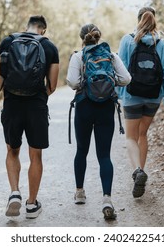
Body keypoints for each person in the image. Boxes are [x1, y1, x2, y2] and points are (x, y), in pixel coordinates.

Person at [0, 15, 59, 218]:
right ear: (43, 30)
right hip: (36, 106)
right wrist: (38, 95)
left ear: (27, 27)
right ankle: (31, 205)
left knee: (12, 151)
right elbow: (53, 85)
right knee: (35, 155)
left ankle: (14, 193)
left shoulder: (7, 41)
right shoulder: (49, 47)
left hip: (12, 103)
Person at [66, 24, 131, 220]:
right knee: (104, 155)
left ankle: (79, 192)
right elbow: (126, 78)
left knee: (81, 150)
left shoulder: (78, 56)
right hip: (105, 108)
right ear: (98, 36)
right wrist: (110, 82)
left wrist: (86, 83)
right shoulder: (111, 55)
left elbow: (72, 82)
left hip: (84, 106)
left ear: (81, 38)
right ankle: (107, 199)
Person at [117, 6, 164, 198]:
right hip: (153, 96)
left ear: (138, 19)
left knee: (131, 137)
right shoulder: (161, 42)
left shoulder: (127, 39)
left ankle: (138, 172)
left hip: (131, 95)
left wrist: (119, 93)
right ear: (153, 20)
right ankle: (141, 172)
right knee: (143, 134)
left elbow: (120, 69)